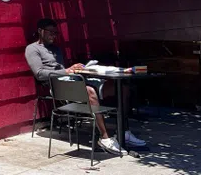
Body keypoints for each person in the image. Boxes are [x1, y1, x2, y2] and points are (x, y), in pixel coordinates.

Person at [25, 18, 147, 154]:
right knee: (90, 91)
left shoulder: (56, 49)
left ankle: (123, 132)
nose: (53, 36)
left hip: (72, 79)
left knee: (121, 88)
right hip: (57, 86)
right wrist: (67, 71)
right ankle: (104, 138)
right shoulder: (32, 49)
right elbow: (39, 74)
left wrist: (80, 70)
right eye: (50, 33)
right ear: (40, 31)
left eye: (55, 33)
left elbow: (66, 70)